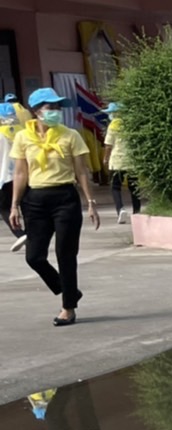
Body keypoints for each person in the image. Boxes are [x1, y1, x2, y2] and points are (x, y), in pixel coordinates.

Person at [8, 87, 100, 326]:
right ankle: (69, 290)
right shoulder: (22, 137)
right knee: (34, 257)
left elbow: (81, 171)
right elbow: (20, 173)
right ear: (36, 111)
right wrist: (14, 205)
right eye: (51, 108)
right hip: (35, 201)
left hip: (65, 198)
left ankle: (68, 308)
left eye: (58, 107)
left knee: (65, 254)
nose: (55, 112)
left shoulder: (70, 135)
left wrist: (90, 202)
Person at [101, 102, 141, 223]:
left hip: (117, 161)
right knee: (134, 187)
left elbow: (108, 145)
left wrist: (105, 158)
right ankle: (137, 211)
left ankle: (120, 209)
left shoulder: (113, 125)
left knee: (115, 188)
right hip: (131, 161)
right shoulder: (131, 124)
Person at [1, 102, 23, 253]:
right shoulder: (21, 130)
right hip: (21, 175)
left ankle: (21, 234)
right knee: (22, 204)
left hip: (4, 177)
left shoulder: (1, 133)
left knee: (4, 208)